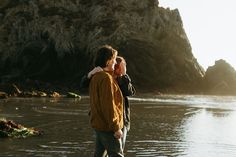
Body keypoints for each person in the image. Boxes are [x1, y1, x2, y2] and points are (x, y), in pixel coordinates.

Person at [80, 55, 136, 153]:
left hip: (120, 119)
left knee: (102, 152)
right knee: (117, 151)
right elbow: (83, 84)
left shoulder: (121, 79)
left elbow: (130, 92)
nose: (125, 67)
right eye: (123, 65)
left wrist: (123, 75)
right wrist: (90, 73)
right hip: (113, 121)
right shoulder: (105, 78)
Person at [88, 45, 124, 157]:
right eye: (113, 59)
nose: (115, 63)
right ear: (108, 61)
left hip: (99, 124)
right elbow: (108, 105)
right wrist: (116, 128)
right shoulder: (105, 78)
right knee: (116, 154)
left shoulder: (95, 76)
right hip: (107, 127)